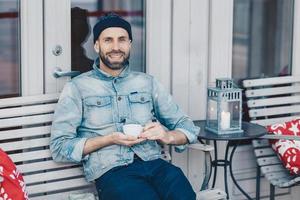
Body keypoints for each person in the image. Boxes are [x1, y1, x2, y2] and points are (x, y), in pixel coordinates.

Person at [50, 13, 200, 200]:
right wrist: (110, 139)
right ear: (97, 45)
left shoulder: (147, 83)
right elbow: (59, 147)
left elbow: (187, 127)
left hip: (156, 164)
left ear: (129, 44)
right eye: (108, 40)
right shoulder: (77, 88)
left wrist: (166, 136)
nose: (115, 47)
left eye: (122, 40)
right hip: (114, 173)